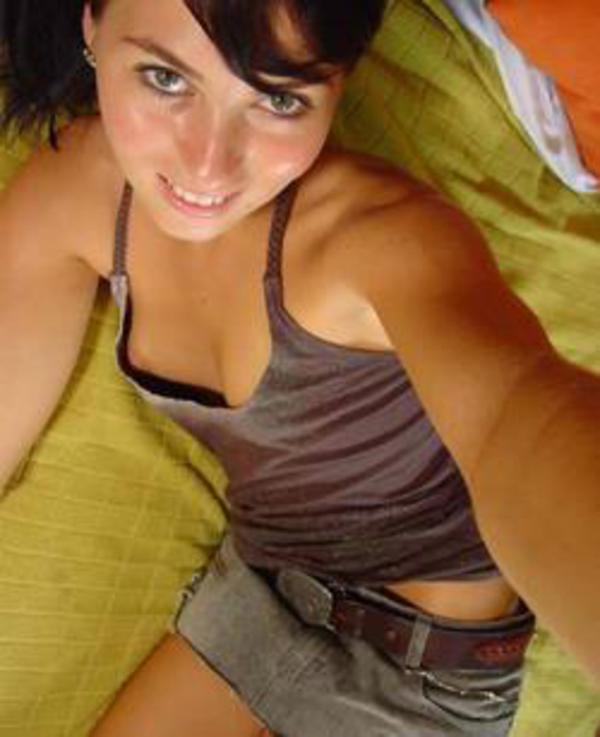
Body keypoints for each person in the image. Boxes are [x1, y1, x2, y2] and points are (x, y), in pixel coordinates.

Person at [0, 0, 599, 735]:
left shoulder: (377, 239)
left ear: (338, 84)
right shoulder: (76, 192)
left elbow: (522, 418)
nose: (207, 163)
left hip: (424, 671)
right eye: (165, 78)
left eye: (278, 99)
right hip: (256, 599)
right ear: (94, 25)